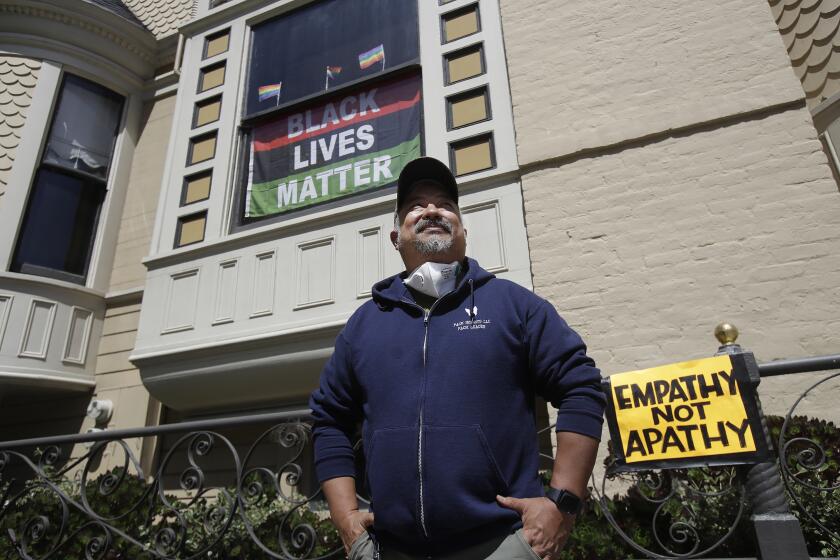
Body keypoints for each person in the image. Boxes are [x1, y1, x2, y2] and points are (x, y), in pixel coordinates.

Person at [309, 157, 606, 560]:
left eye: (446, 204)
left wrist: (563, 504)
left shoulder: (514, 306)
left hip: (503, 545)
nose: (432, 209)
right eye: (415, 204)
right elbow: (330, 420)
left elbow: (581, 387)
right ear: (395, 236)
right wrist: (345, 519)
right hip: (389, 550)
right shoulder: (364, 325)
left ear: (463, 229)